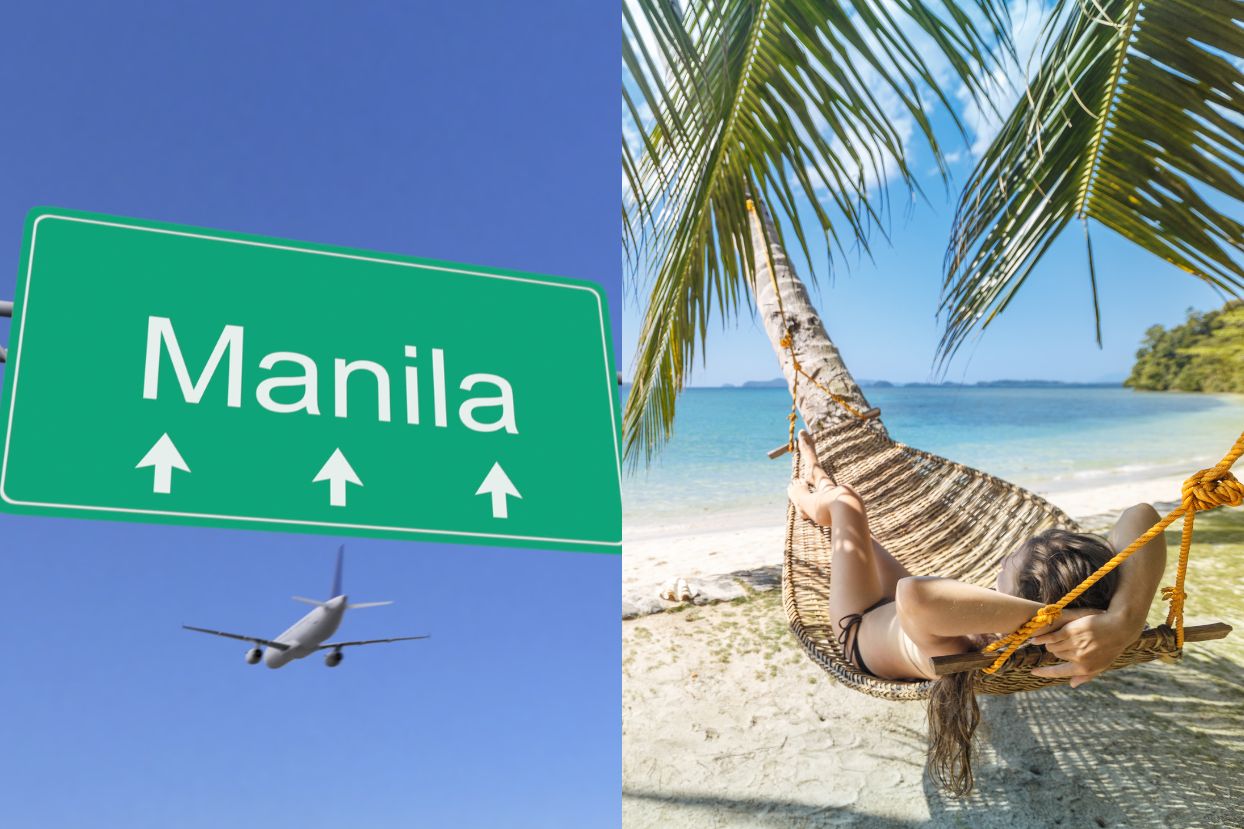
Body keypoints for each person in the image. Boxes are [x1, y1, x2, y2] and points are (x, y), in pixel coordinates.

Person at [786, 430, 1167, 794]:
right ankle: (817, 471)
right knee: (853, 530)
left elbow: (914, 594)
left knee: (846, 506)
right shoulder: (1073, 624)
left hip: (860, 623)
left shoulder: (971, 644)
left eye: (1003, 572)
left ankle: (809, 494)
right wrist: (1124, 620)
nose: (997, 571)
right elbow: (1141, 515)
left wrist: (1054, 617)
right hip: (898, 619)